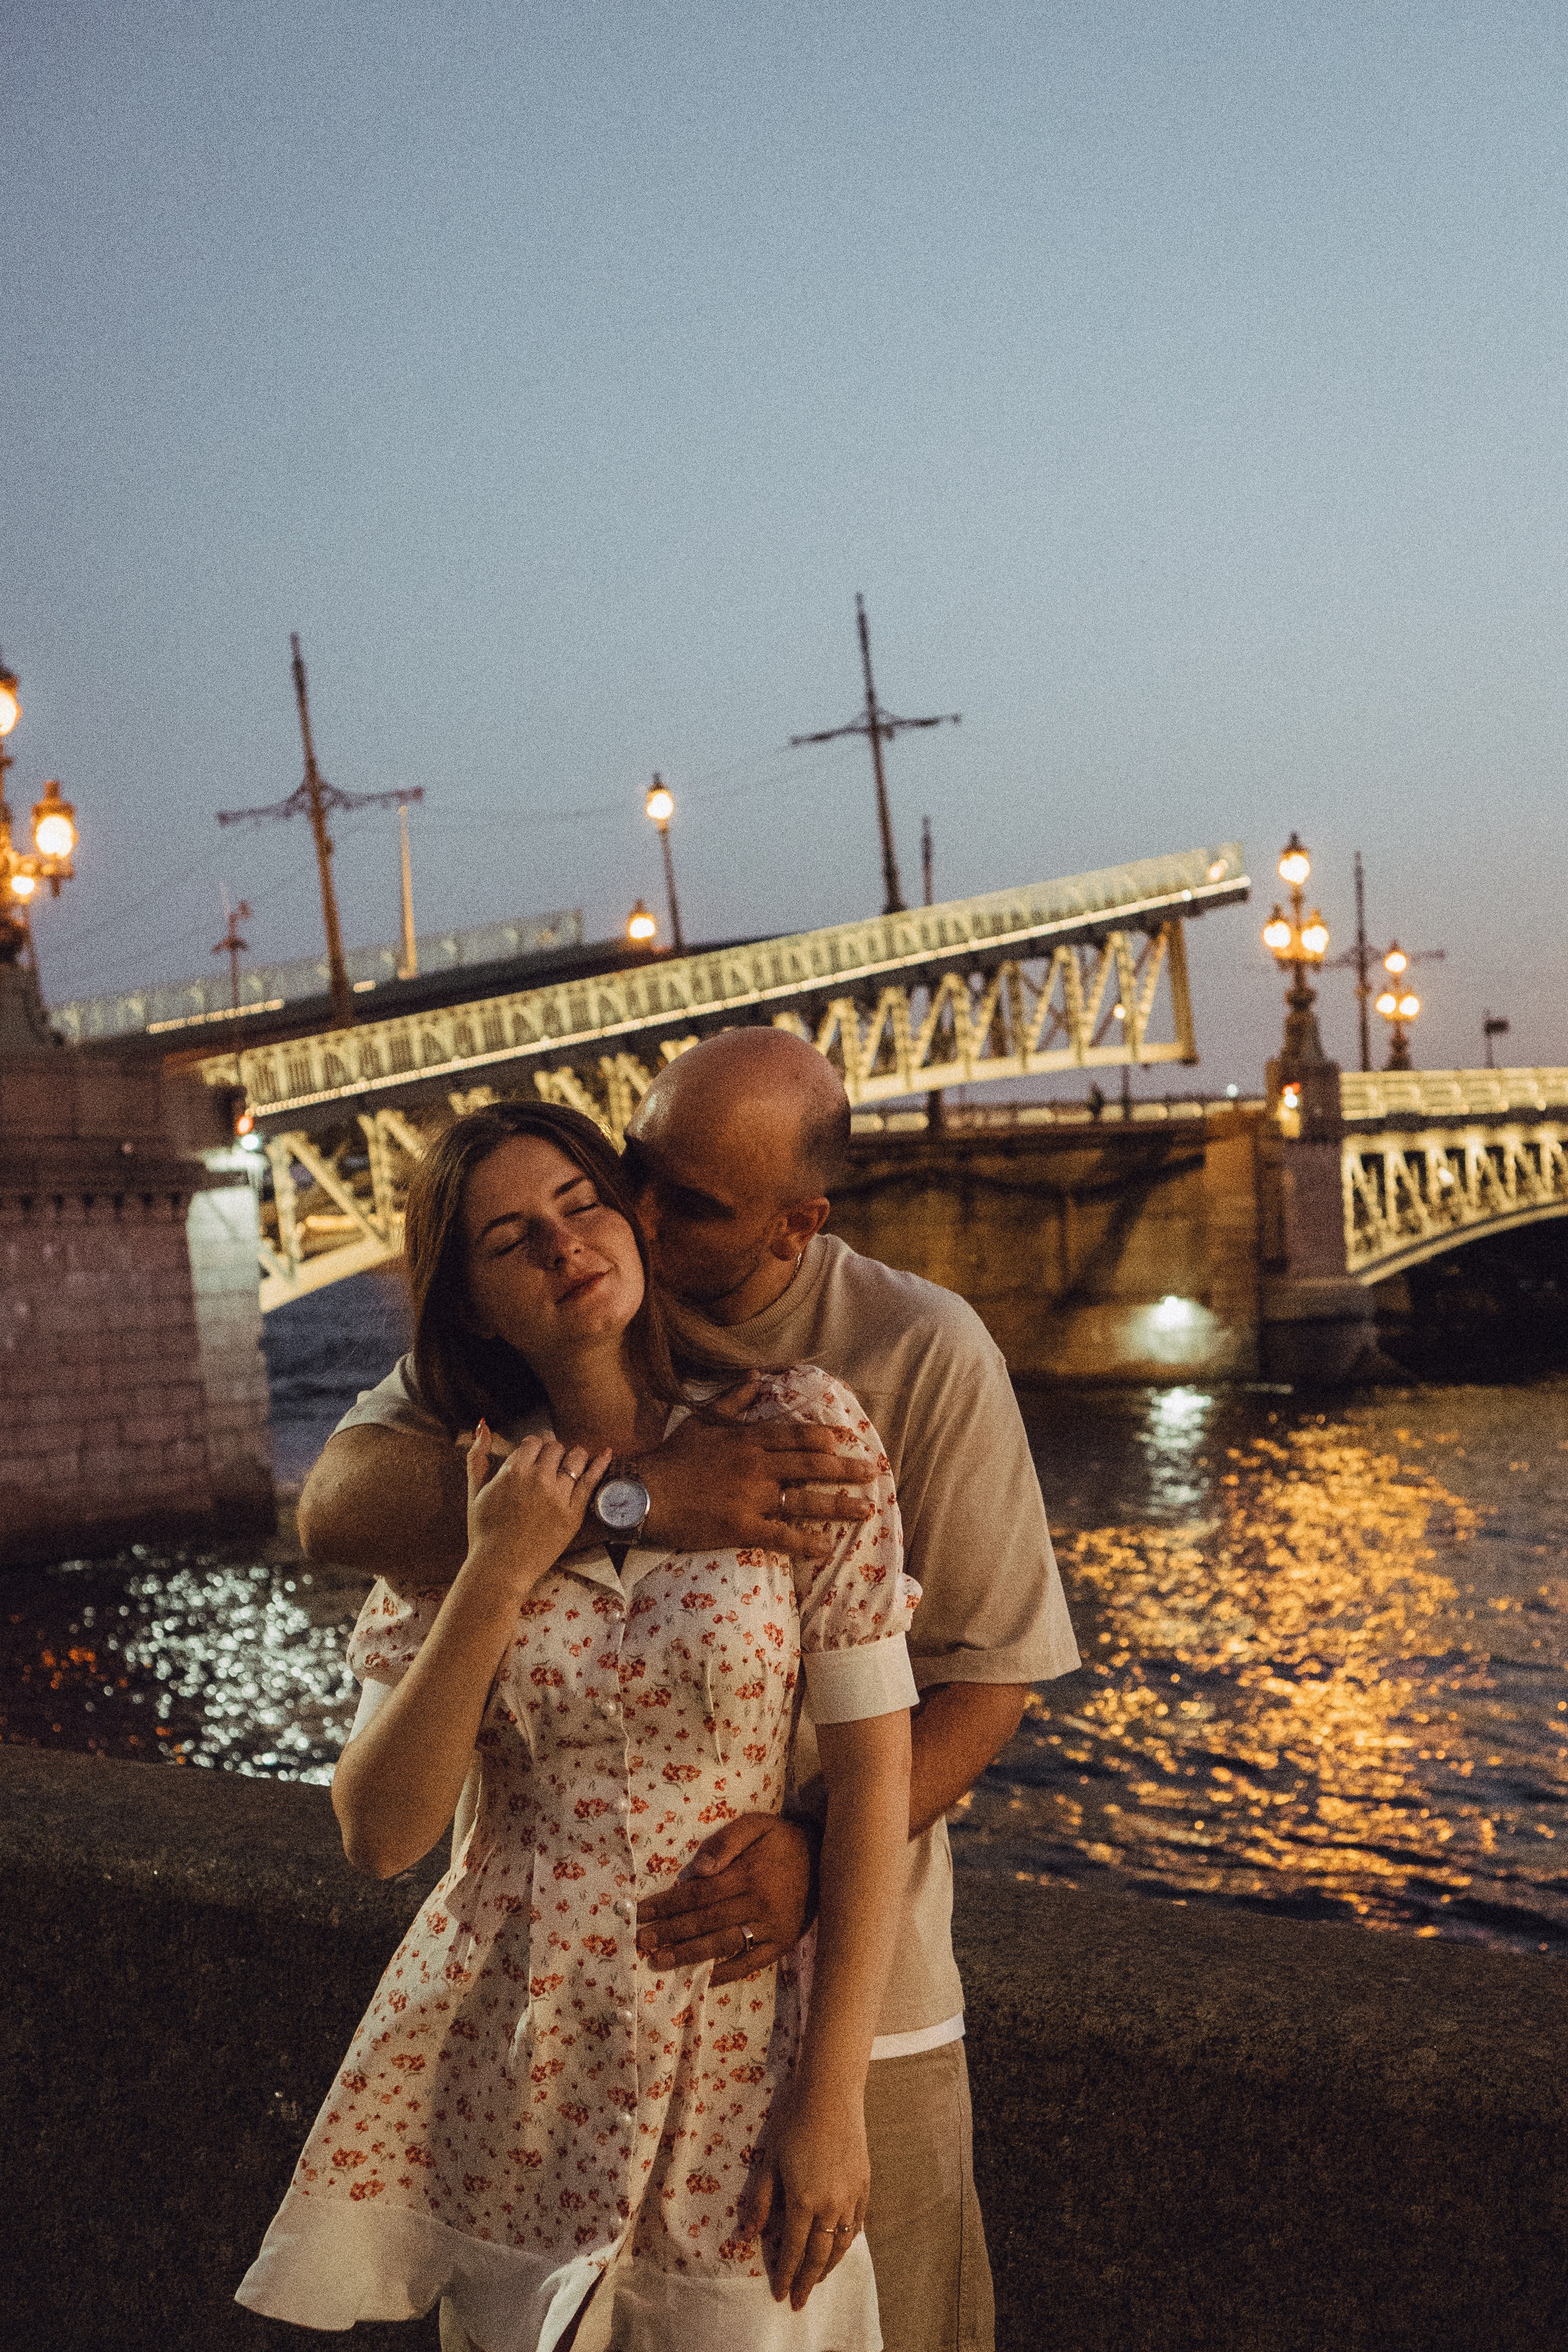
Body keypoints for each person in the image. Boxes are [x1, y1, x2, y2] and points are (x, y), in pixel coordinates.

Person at [300, 1030, 1080, 2352]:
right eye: (633, 1173)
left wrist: (811, 1855)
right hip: (555, 2046)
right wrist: (634, 1500)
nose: (629, 1221)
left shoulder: (897, 1358)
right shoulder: (491, 1410)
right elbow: (337, 1510)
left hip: (844, 2002)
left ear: (796, 1227)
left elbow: (986, 1686)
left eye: (684, 1203)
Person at [238, 1101, 919, 2352]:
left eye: (578, 1204)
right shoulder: (459, 1492)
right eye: (509, 1241)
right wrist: (499, 1564)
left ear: (630, 1220)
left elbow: (875, 1784)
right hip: (519, 2059)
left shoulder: (800, 1430)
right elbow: (381, 1835)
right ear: (471, 1307)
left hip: (737, 2054)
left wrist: (832, 2105)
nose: (561, 1246)